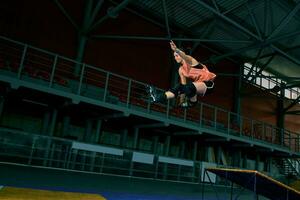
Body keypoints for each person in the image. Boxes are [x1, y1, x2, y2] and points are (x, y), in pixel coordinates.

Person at [149, 41, 216, 108]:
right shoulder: (181, 70)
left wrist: (176, 49)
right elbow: (183, 85)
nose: (175, 58)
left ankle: (193, 102)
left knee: (190, 86)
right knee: (182, 86)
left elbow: (184, 56)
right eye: (174, 56)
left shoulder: (190, 61)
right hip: (196, 86)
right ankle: (158, 97)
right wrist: (181, 101)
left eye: (177, 55)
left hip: (208, 85)